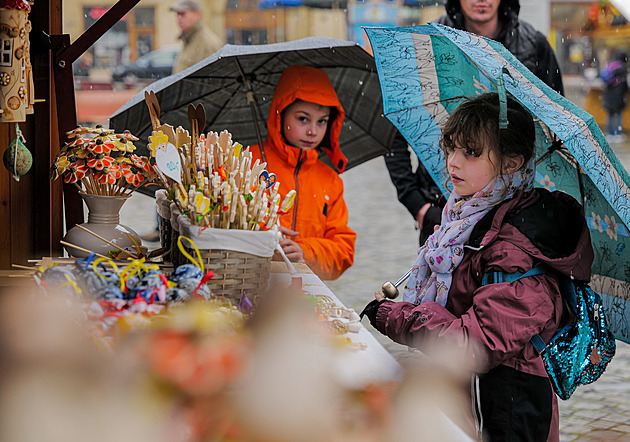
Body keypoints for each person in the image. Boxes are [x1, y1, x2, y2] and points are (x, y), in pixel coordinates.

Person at [362, 93, 593, 441]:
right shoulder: (468, 219)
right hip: (472, 402)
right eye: (451, 147)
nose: (452, 162)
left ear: (512, 162)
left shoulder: (516, 249)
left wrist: (399, 317)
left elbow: (474, 345)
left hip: (506, 414)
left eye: (470, 153)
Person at [385, 0, 565, 245]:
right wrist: (419, 205)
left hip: (512, 209)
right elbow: (394, 133)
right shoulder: (429, 42)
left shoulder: (533, 45)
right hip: (442, 206)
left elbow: (554, 123)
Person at [249, 65, 356, 281]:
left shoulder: (330, 180)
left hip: (304, 293)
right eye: (303, 119)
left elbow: (343, 251)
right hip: (249, 283)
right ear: (280, 114)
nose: (312, 131)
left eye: (322, 121)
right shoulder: (248, 162)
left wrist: (305, 251)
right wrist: (264, 234)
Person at [170, 0, 222, 74]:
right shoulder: (188, 40)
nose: (179, 19)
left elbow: (214, 78)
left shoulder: (208, 43)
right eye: (177, 14)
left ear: (197, 15)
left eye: (182, 14)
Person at [601, 49, 628, 142]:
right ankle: (617, 134)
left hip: (608, 94)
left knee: (610, 114)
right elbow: (624, 84)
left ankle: (610, 133)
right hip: (618, 95)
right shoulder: (623, 69)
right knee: (618, 115)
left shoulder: (611, 65)